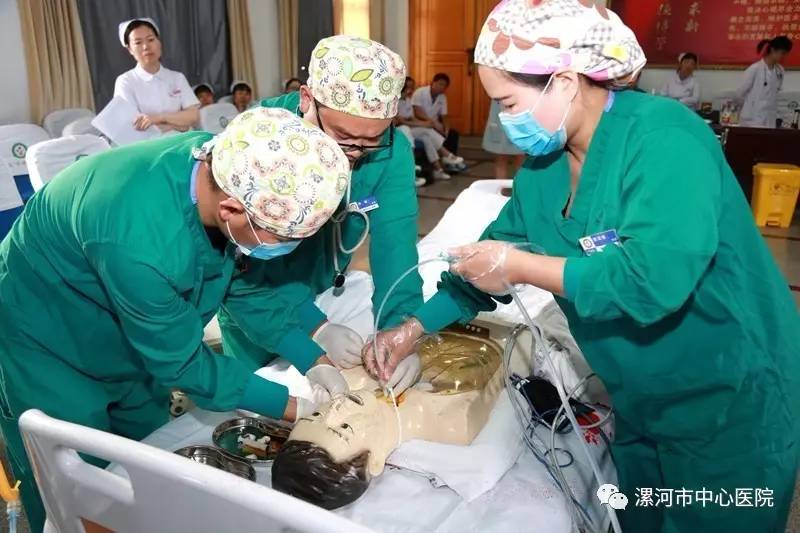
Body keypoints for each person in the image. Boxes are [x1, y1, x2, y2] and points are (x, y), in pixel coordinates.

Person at [364, 2, 800, 532]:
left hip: (729, 395)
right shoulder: (544, 171)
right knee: (641, 517)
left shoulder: (666, 140)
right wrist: (413, 328)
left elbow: (651, 279)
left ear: (565, 82)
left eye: (508, 102)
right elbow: (484, 264)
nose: (505, 120)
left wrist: (522, 266)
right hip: (639, 396)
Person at [0, 108, 352, 531]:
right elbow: (183, 363)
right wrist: (295, 408)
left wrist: (314, 360)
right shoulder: (137, 236)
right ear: (231, 209)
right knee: (77, 487)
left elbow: (242, 286)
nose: (286, 250)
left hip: (138, 329)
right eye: (283, 239)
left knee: (147, 461)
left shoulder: (226, 165)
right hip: (45, 336)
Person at [218, 36, 424, 399]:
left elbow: (396, 247)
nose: (356, 153)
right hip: (258, 297)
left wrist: (401, 327)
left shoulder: (391, 152)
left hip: (324, 287)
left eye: (372, 140)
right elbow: (241, 272)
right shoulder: (260, 140)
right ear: (307, 99)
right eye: (344, 137)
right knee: (258, 400)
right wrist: (314, 326)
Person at [272, 330, 505, 509]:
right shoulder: (451, 421)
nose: (336, 407)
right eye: (343, 427)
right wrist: (423, 354)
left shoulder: (345, 377)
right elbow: (492, 354)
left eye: (316, 415)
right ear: (374, 462)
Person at [114, 18, 200, 133]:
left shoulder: (177, 78)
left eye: (150, 39)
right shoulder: (125, 81)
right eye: (138, 42)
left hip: (183, 140)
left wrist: (159, 118)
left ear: (159, 42)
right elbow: (134, 126)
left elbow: (193, 116)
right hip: (149, 144)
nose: (146, 46)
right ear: (129, 49)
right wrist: (178, 124)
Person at [396, 76, 465, 181]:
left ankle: (439, 170)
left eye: (411, 88)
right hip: (401, 129)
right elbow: (401, 122)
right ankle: (447, 155)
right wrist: (424, 124)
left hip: (412, 127)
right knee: (426, 130)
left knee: (427, 138)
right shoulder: (395, 101)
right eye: (408, 88)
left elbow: (412, 118)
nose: (410, 91)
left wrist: (426, 124)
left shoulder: (408, 100)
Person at [412, 73, 466, 171]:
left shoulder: (442, 97)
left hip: (435, 124)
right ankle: (448, 157)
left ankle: (450, 163)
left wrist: (446, 128)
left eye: (444, 86)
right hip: (422, 123)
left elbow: (444, 116)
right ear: (433, 82)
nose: (441, 87)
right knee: (431, 132)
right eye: (440, 84)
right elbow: (417, 111)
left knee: (452, 134)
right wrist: (433, 123)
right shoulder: (420, 92)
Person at [737, 36, 793, 128]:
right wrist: (750, 106)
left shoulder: (780, 71)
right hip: (751, 120)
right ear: (773, 50)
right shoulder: (754, 69)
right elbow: (740, 94)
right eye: (782, 53)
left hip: (770, 119)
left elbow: (775, 94)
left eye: (786, 54)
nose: (784, 56)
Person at [482, 99, 525, 179]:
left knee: (520, 157)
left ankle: (521, 186)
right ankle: (500, 186)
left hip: (520, 112)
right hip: (500, 114)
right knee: (501, 156)